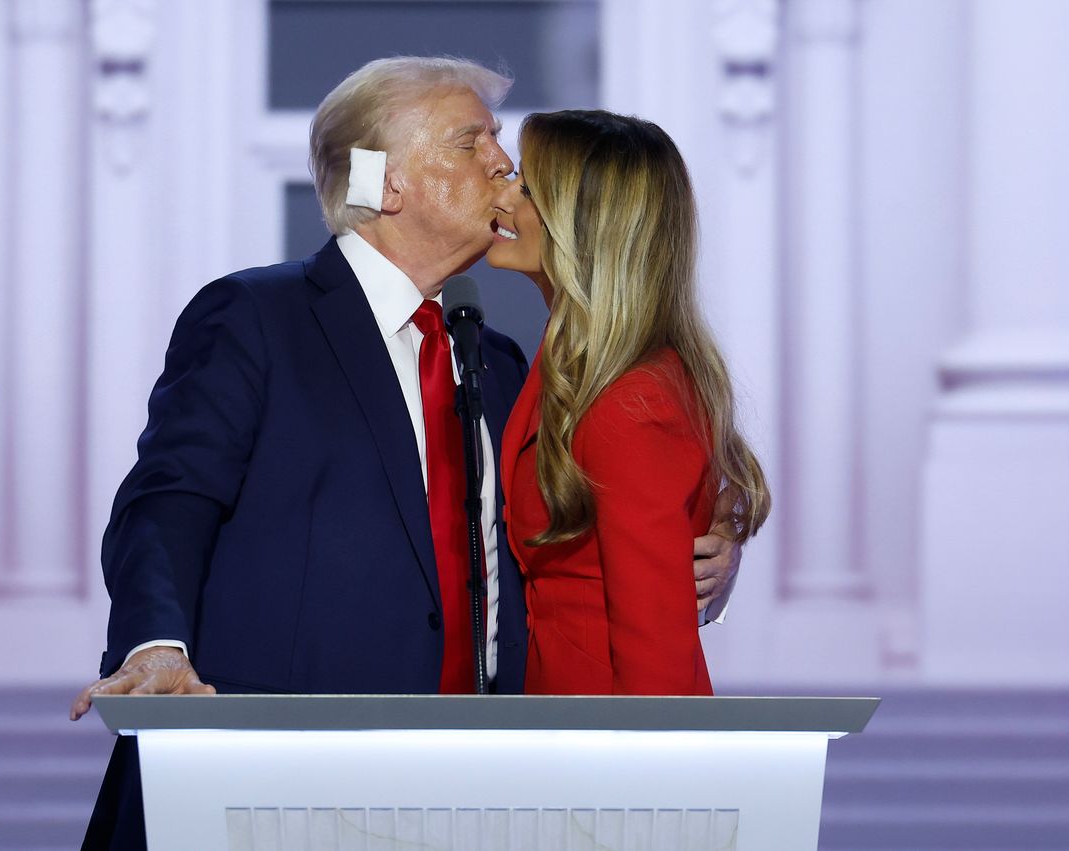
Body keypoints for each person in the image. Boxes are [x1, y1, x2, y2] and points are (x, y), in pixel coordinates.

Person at [69, 60, 742, 847]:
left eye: (498, 141)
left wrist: (704, 545)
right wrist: (153, 641)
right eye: (472, 141)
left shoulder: (501, 362)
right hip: (267, 784)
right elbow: (168, 499)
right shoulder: (257, 317)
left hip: (460, 794)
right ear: (383, 184)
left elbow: (567, 542)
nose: (503, 162)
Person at [487, 110, 770, 695]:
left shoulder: (632, 400)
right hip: (561, 733)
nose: (505, 193)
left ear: (584, 223)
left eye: (529, 187)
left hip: (606, 749)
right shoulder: (581, 369)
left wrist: (651, 781)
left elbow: (655, 647)